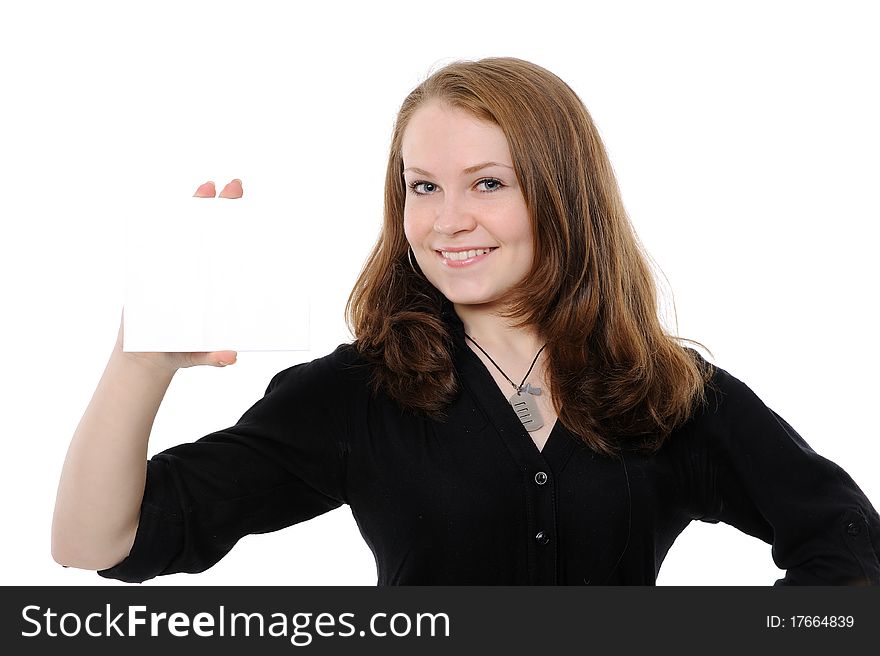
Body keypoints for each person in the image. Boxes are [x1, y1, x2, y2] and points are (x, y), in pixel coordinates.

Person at [52, 56, 879, 585]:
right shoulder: (356, 395)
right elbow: (100, 544)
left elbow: (847, 546)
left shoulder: (670, 393)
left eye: (487, 184)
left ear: (563, 196)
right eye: (423, 187)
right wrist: (140, 365)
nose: (447, 222)